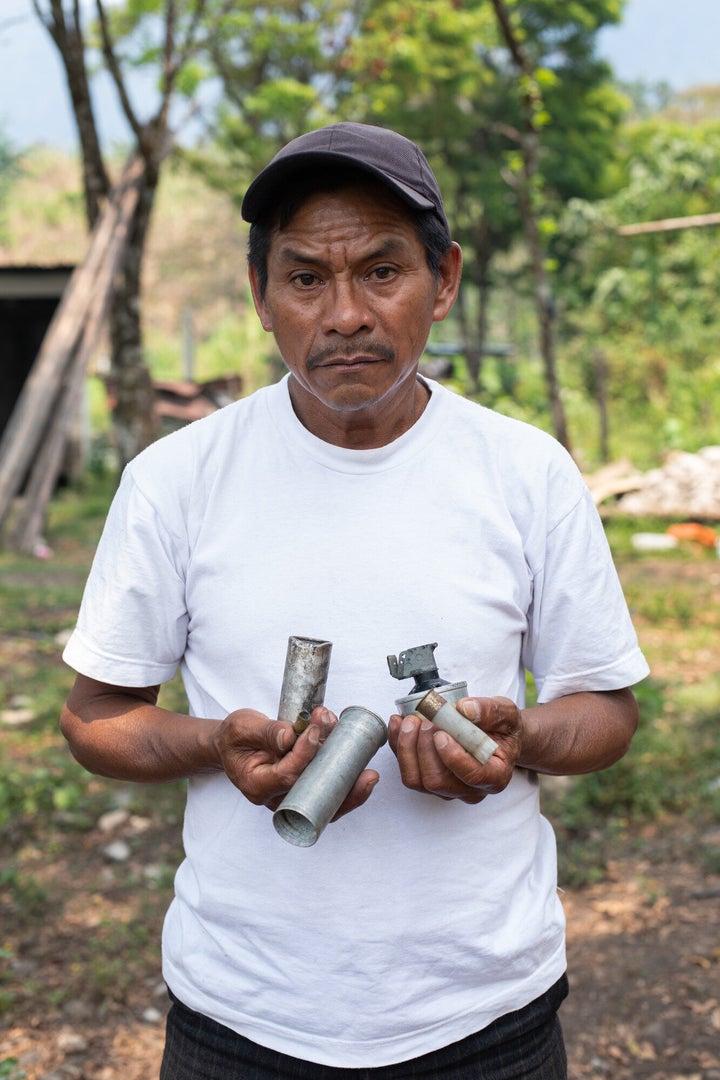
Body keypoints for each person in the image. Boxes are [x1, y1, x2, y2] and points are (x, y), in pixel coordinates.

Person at [60, 121, 649, 1080]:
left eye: (383, 271)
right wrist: (215, 744)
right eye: (304, 279)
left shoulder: (525, 473)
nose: (345, 315)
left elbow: (607, 710)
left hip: (484, 1014)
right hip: (241, 1017)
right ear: (259, 296)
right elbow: (94, 718)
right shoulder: (178, 480)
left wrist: (517, 737)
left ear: (444, 279)